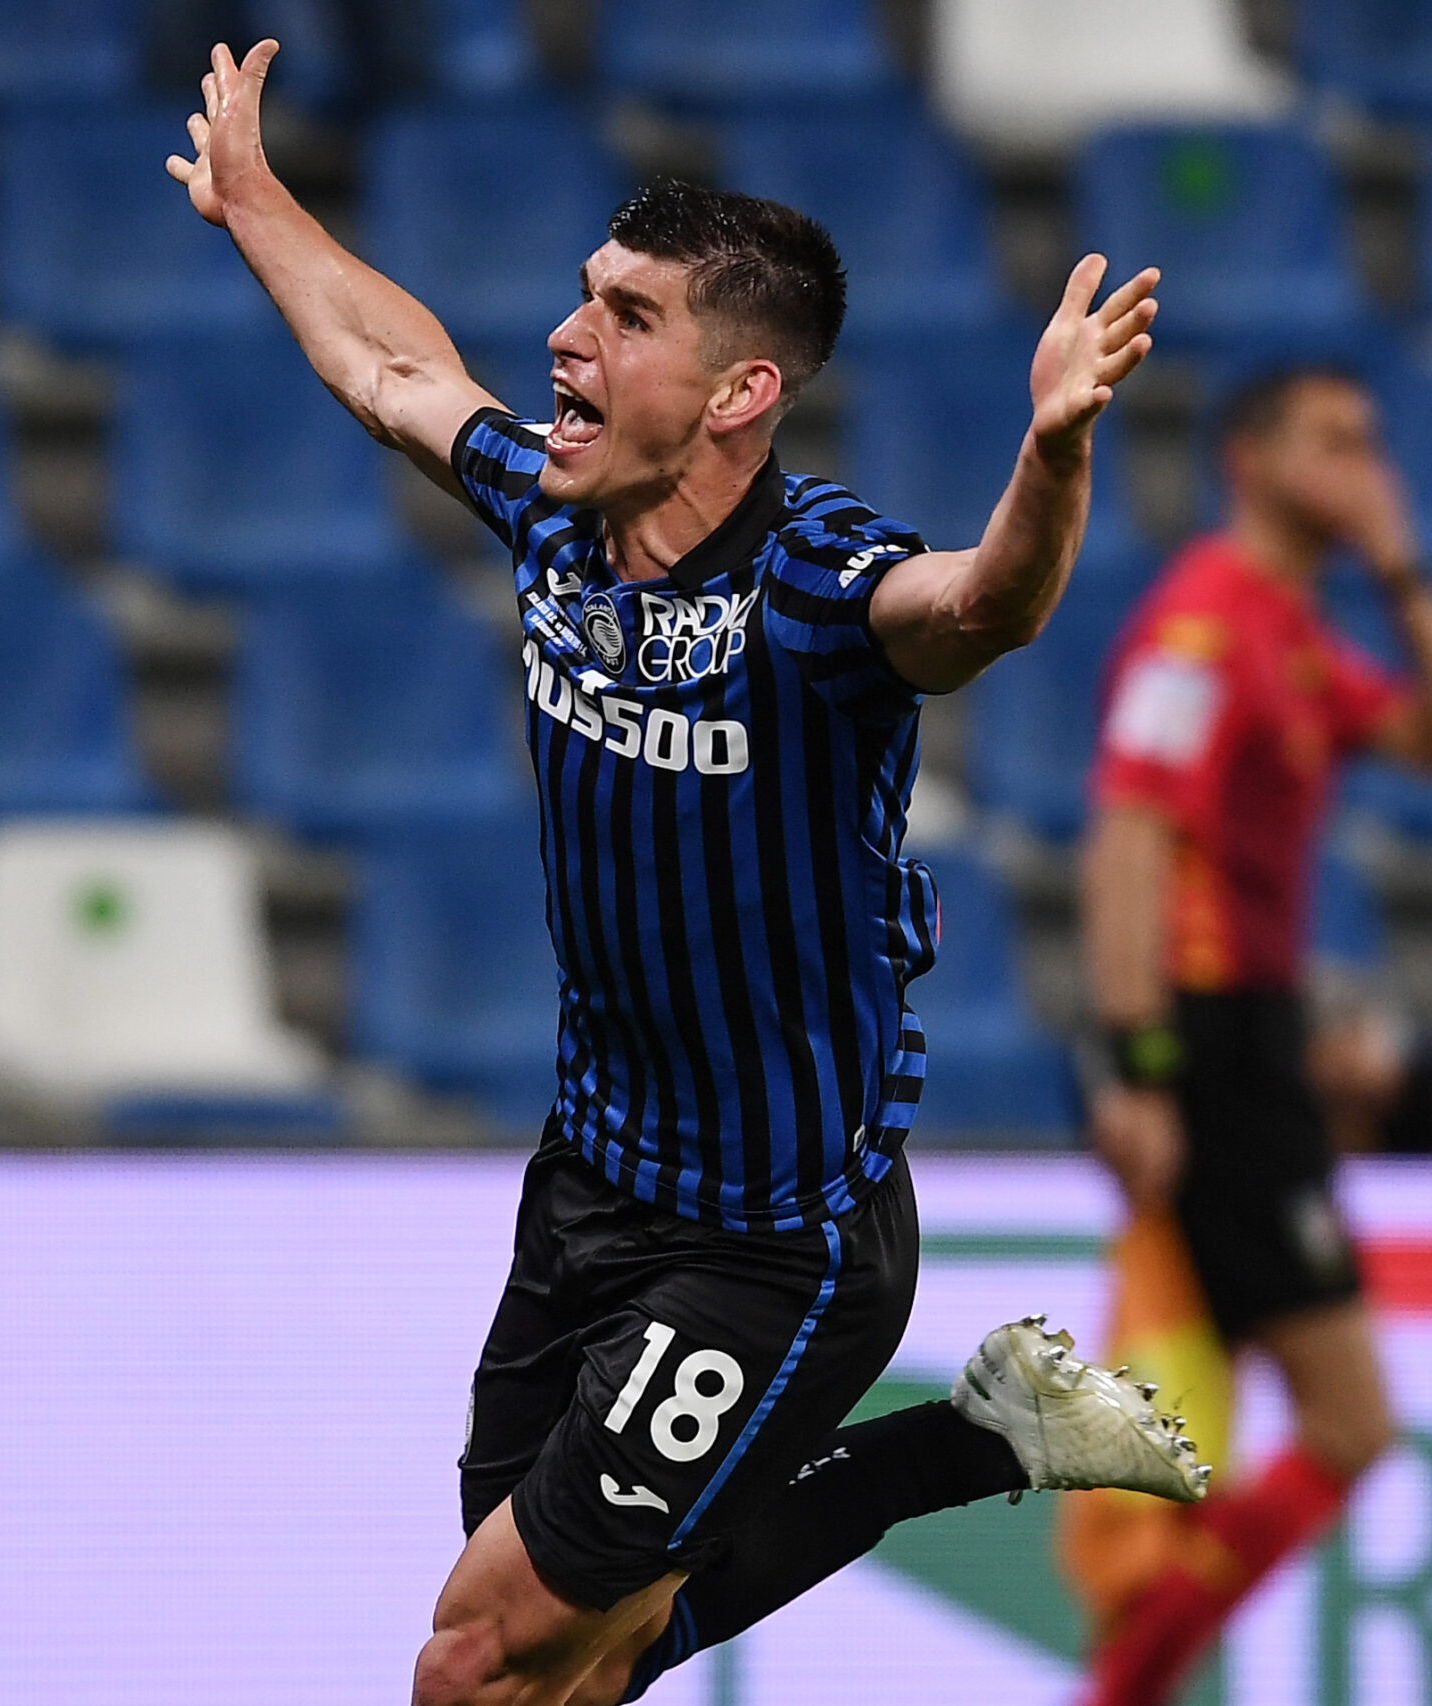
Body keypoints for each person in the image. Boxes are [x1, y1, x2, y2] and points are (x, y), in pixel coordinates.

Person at [166, 40, 1208, 1706]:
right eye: (586, 295)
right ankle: (979, 1437)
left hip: (772, 1236)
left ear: (738, 393)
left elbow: (979, 607)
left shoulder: (810, 586)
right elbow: (389, 368)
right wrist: (258, 200)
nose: (567, 339)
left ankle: (963, 1443)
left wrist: (1055, 455)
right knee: (579, 1660)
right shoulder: (556, 515)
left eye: (628, 316)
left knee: (477, 1655)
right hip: (591, 1179)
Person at [1066, 366, 1432, 1705]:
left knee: (1231, 1416)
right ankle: (1126, 1681)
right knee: (1346, 1420)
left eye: (1374, 441)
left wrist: (1401, 567)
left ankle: (1131, 1672)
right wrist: (1137, 1063)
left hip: (1256, 1045)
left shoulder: (1293, 635)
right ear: (1247, 460)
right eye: (1335, 441)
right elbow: (1128, 836)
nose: (1367, 462)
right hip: (1206, 1047)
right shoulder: (1202, 625)